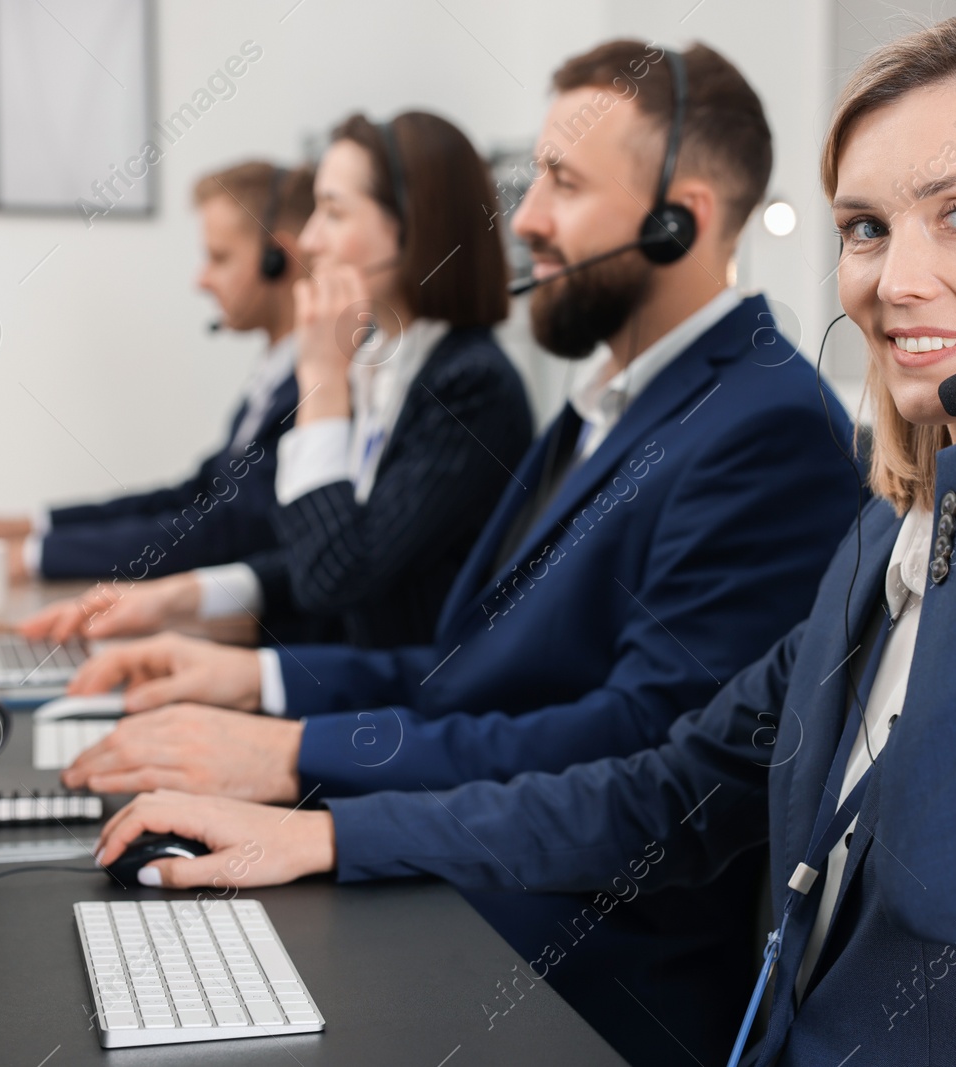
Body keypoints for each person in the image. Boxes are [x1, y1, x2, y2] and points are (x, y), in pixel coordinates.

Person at [92, 15, 956, 1066]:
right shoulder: (894, 529)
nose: (891, 279)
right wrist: (326, 834)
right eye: (865, 227)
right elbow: (669, 788)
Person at [66, 41, 865, 1065]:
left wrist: (297, 761)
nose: (524, 219)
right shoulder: (605, 404)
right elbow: (465, 673)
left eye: (563, 185)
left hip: (577, 964)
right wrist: (253, 683)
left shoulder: (763, 425)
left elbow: (627, 752)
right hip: (471, 873)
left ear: (682, 219)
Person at [21, 112, 534, 650]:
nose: (310, 241)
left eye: (333, 213)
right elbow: (311, 555)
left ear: (413, 228)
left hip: (396, 715)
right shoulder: (387, 367)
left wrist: (321, 379)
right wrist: (179, 596)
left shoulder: (471, 388)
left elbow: (337, 578)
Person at [0, 162, 314, 588]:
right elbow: (191, 497)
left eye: (219, 258)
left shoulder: (316, 389)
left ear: (279, 260)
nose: (201, 280)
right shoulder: (273, 378)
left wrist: (35, 557)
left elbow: (224, 531)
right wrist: (32, 527)